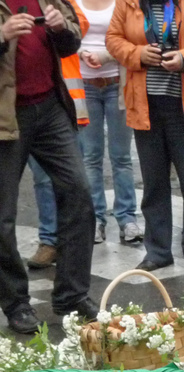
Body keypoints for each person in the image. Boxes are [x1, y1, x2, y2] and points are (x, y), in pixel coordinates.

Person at [0, 0, 98, 334]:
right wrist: (2, 35)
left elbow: (71, 43)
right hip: (6, 117)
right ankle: (16, 304)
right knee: (3, 218)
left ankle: (72, 296)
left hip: (50, 106)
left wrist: (60, 28)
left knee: (79, 193)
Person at [107, 0, 184, 273]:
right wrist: (138, 54)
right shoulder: (128, 3)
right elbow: (113, 39)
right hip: (145, 107)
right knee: (154, 184)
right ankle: (158, 251)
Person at [78, 0, 142, 245]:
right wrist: (81, 53)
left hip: (117, 82)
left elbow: (133, 39)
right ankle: (95, 219)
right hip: (84, 86)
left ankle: (127, 218)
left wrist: (104, 56)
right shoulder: (72, 2)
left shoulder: (123, 2)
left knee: (121, 156)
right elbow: (65, 38)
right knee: (90, 157)